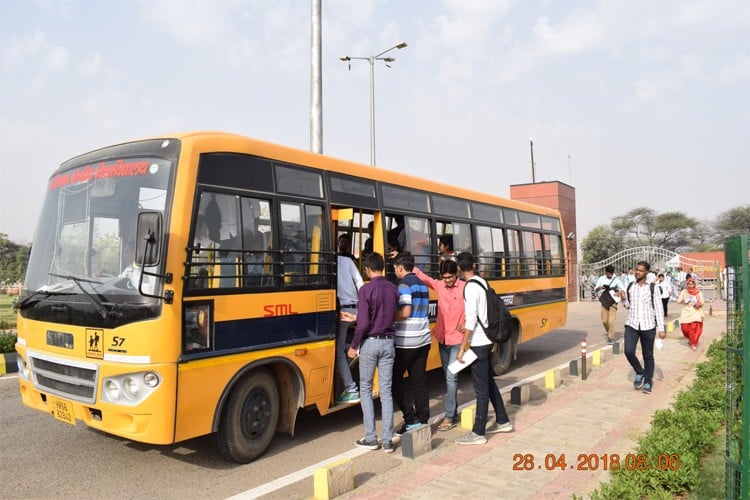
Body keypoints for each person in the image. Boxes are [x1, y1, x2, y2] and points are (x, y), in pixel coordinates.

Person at [455, 252, 513, 445]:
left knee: (480, 389)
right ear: (474, 264)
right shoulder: (482, 282)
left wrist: (462, 348)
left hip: (479, 342)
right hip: (487, 340)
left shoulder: (470, 288)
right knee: (489, 382)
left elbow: (470, 321)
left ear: (458, 268)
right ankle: (503, 420)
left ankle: (478, 432)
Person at [347, 253, 399, 453]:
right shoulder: (393, 289)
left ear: (368, 270)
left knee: (366, 389)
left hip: (370, 343)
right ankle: (387, 440)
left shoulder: (366, 290)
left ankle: (371, 437)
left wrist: (353, 345)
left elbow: (363, 324)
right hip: (389, 342)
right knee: (386, 391)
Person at [414, 259, 465, 431]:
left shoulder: (465, 287)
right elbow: (422, 277)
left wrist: (466, 323)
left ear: (456, 274)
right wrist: (405, 263)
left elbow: (476, 306)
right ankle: (454, 410)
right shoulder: (439, 285)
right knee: (448, 377)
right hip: (443, 338)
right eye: (445, 278)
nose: (448, 280)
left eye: (450, 277)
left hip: (458, 338)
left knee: (451, 377)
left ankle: (449, 416)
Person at [391, 252, 432, 436]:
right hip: (424, 338)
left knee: (395, 379)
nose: (394, 271)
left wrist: (390, 318)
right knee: (419, 381)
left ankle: (411, 419)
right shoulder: (422, 284)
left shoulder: (403, 284)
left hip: (408, 341)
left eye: (394, 268)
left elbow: (406, 311)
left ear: (400, 267)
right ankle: (423, 419)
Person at [620, 261, 665, 395]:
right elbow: (628, 306)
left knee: (648, 355)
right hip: (632, 324)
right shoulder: (630, 286)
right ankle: (640, 371)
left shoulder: (653, 288)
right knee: (628, 350)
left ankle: (648, 381)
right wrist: (623, 299)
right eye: (636, 270)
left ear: (646, 272)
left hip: (648, 325)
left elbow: (658, 308)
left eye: (640, 270)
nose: (637, 272)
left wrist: (661, 328)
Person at [335, 236, 365, 404]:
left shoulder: (326, 262)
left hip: (342, 311)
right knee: (344, 344)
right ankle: (355, 349)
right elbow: (360, 282)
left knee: (338, 353)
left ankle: (351, 389)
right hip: (357, 307)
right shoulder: (347, 261)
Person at [594, 264, 625, 344]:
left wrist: (619, 292)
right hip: (604, 301)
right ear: (606, 272)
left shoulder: (616, 279)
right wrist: (601, 287)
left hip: (613, 302)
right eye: (609, 273)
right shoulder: (601, 279)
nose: (610, 275)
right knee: (604, 321)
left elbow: (623, 288)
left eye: (611, 273)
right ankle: (609, 332)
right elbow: (595, 289)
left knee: (611, 321)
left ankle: (611, 337)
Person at [677, 277, 705, 351]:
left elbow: (702, 302)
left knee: (694, 329)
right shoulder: (684, 291)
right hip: (686, 312)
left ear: (694, 284)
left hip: (695, 311)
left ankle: (693, 344)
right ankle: (691, 339)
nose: (690, 286)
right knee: (685, 328)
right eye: (689, 284)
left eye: (692, 284)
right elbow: (678, 301)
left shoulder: (698, 292)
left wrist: (697, 303)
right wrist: (684, 300)